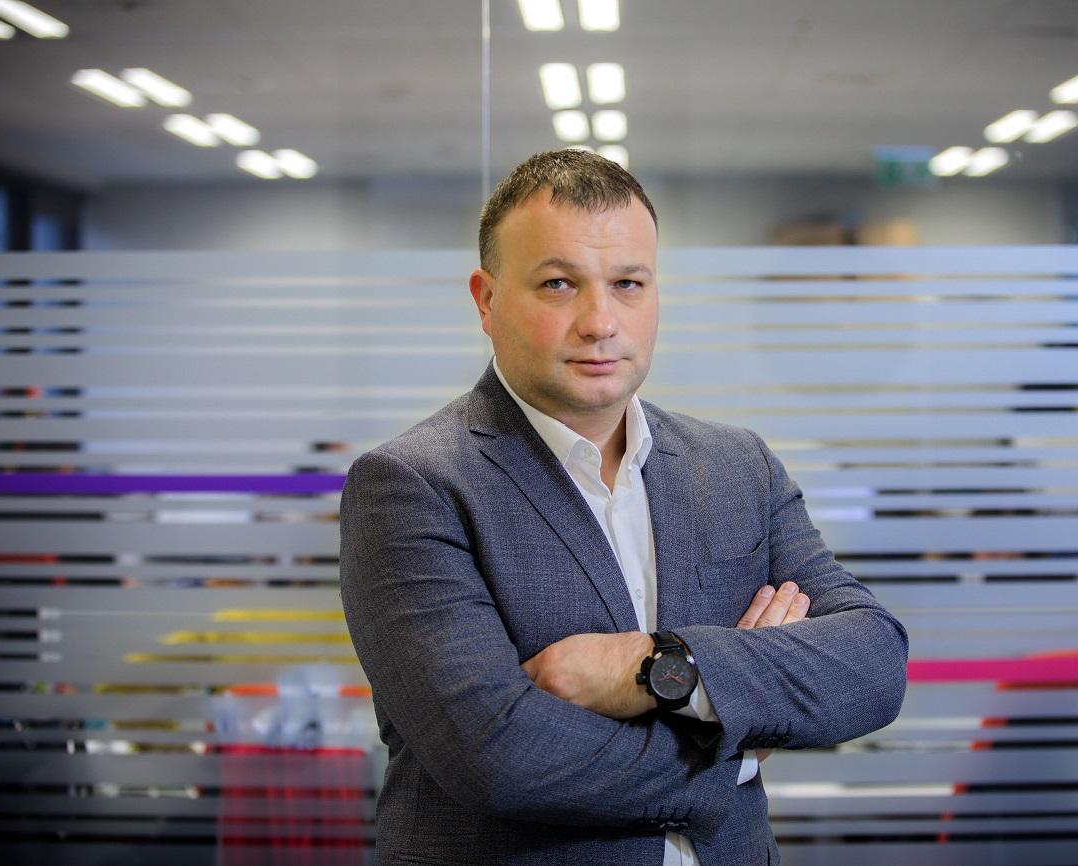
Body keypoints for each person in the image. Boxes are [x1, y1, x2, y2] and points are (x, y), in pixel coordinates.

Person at [340, 149, 908, 866]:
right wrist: (733, 747)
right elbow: (499, 755)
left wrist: (659, 667)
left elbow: (873, 665)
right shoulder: (412, 484)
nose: (600, 321)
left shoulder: (737, 467)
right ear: (486, 300)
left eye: (628, 284)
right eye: (558, 284)